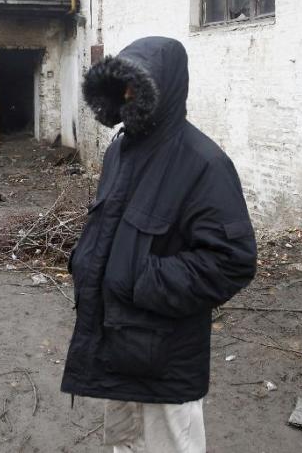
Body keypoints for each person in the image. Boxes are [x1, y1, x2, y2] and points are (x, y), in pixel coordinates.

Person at [62, 37, 257, 452]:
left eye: (137, 88)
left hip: (166, 350)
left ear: (164, 89)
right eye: (123, 88)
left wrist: (140, 279)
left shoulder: (203, 163)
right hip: (116, 338)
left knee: (171, 446)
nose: (128, 98)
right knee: (125, 442)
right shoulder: (120, 152)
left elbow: (232, 261)